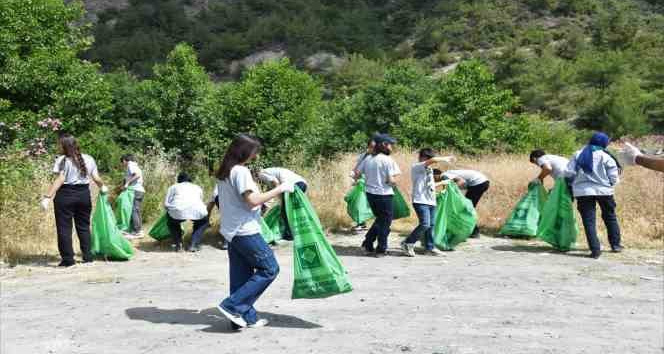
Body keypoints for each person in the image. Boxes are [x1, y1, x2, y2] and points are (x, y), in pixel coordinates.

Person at [215, 134, 294, 329]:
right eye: (254, 151)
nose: (256, 156)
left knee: (241, 277)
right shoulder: (241, 171)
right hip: (245, 231)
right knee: (269, 269)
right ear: (244, 151)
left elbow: (244, 201)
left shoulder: (225, 172)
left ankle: (245, 318)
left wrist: (261, 202)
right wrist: (281, 188)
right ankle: (232, 306)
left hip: (231, 231)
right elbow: (251, 200)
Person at [40, 133, 108, 267]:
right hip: (83, 195)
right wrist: (102, 186)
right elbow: (96, 178)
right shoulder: (89, 158)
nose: (58, 146)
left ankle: (68, 260)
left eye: (59, 143)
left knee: (64, 228)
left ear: (64, 145)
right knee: (83, 227)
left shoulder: (62, 160)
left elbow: (60, 179)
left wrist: (47, 197)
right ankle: (88, 257)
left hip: (65, 196)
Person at [566, 132, 623, 259]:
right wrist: (610, 184)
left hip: (583, 192)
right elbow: (614, 177)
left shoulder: (578, 154)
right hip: (604, 191)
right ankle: (616, 245)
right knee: (610, 217)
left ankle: (595, 250)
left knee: (589, 221)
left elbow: (568, 172)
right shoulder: (606, 156)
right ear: (603, 143)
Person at [401, 148, 455, 257]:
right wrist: (445, 158)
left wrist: (442, 184)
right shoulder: (417, 167)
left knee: (431, 225)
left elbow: (429, 185)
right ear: (422, 157)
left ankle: (429, 248)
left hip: (431, 201)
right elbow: (433, 160)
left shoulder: (429, 170)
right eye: (428, 159)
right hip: (420, 200)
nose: (431, 161)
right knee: (425, 224)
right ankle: (408, 243)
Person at [357, 133, 401, 257]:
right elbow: (391, 180)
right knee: (385, 222)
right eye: (390, 145)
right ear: (383, 145)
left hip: (370, 194)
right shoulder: (387, 160)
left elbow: (357, 174)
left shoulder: (368, 159)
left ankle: (367, 243)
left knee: (380, 219)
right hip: (384, 194)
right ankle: (381, 249)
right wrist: (394, 184)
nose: (391, 148)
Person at [257, 167, 307, 241]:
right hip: (302, 183)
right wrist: (265, 208)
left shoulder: (261, 174)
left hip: (293, 185)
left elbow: (276, 183)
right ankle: (297, 231)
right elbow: (270, 196)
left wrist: (280, 200)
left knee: (286, 210)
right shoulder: (269, 173)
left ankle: (289, 234)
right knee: (293, 210)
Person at [164, 172, 208, 252]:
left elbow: (166, 204)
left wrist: (170, 212)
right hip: (197, 210)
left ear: (178, 180)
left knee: (172, 222)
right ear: (190, 180)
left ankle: (178, 244)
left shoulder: (173, 187)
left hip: (177, 211)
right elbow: (200, 201)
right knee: (203, 222)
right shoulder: (197, 187)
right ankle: (193, 244)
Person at [442, 169, 490, 238]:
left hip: (478, 183)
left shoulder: (444, 175)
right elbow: (447, 188)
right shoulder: (447, 174)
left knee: (467, 208)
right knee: (467, 208)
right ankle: (470, 230)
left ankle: (474, 232)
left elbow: (461, 181)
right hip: (481, 182)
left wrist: (453, 190)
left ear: (435, 175)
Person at [350, 136, 378, 233]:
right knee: (359, 204)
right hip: (362, 184)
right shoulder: (363, 156)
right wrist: (354, 176)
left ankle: (375, 225)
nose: (373, 149)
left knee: (371, 206)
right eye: (371, 146)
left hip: (373, 185)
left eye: (375, 147)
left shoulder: (379, 157)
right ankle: (361, 223)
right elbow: (357, 168)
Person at [120, 154, 145, 239]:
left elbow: (137, 175)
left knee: (134, 210)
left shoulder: (130, 165)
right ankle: (137, 230)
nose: (122, 165)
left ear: (124, 160)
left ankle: (137, 231)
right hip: (138, 190)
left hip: (135, 190)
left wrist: (127, 183)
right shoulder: (134, 165)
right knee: (136, 210)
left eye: (122, 162)